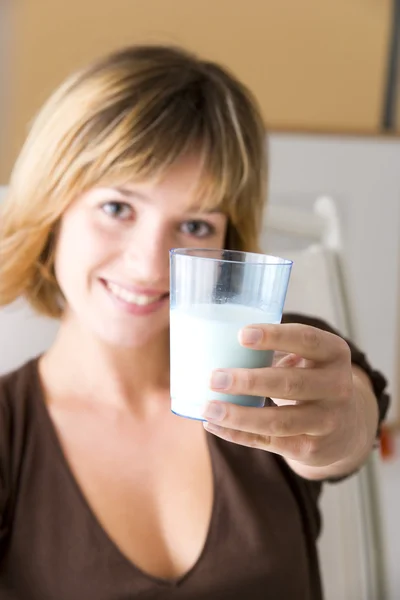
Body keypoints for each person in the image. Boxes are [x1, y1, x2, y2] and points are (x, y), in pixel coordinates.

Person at [0, 44, 389, 600]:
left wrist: (340, 427)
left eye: (196, 226)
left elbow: (349, 418)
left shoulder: (273, 364)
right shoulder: (9, 435)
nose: (152, 262)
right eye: (118, 208)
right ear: (51, 209)